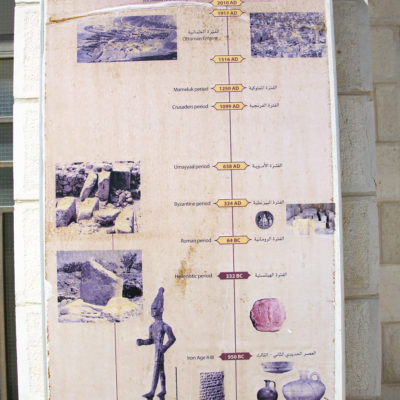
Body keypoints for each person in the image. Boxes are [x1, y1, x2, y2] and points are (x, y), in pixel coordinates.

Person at [137, 287, 176, 399]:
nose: (153, 311)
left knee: (156, 369)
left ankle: (152, 392)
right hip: (158, 351)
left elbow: (172, 338)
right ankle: (163, 390)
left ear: (161, 310)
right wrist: (143, 342)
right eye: (152, 309)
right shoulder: (152, 327)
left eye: (155, 308)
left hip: (159, 351)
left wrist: (165, 347)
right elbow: (151, 340)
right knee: (161, 370)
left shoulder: (165, 326)